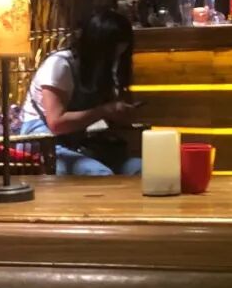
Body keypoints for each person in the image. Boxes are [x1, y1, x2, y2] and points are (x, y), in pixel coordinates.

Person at [17, 9, 142, 176]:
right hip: (44, 143)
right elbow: (57, 124)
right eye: (112, 53)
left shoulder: (102, 71)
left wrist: (121, 114)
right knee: (99, 174)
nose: (115, 59)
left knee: (141, 168)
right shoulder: (60, 65)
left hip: (78, 142)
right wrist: (104, 111)